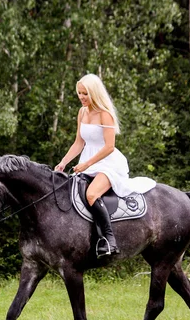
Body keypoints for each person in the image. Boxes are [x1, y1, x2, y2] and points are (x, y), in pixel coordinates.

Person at [54, 73, 130, 257]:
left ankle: (110, 240)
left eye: (85, 93)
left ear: (94, 93)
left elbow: (109, 147)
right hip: (87, 162)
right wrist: (63, 162)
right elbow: (79, 143)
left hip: (108, 163)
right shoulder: (82, 112)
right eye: (79, 93)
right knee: (72, 193)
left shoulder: (105, 115)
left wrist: (86, 164)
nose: (81, 97)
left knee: (91, 194)